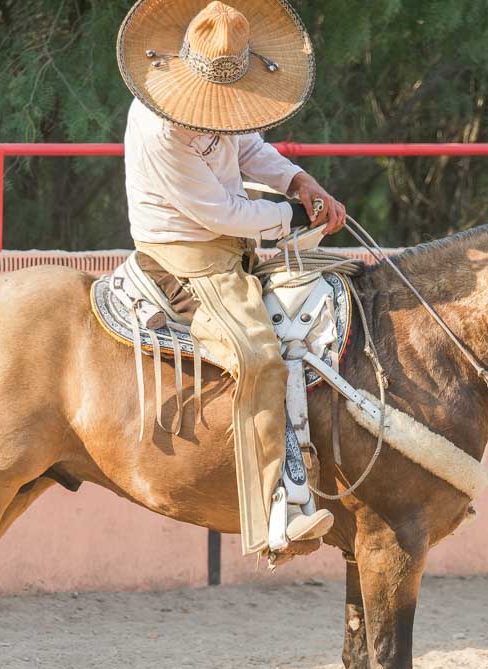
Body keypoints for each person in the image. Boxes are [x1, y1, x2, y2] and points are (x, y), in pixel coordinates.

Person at [117, 0, 346, 556]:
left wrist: (297, 181)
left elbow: (246, 146)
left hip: (230, 238)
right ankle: (277, 508)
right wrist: (289, 217)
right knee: (260, 357)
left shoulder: (208, 106)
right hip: (188, 256)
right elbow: (217, 212)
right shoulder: (159, 126)